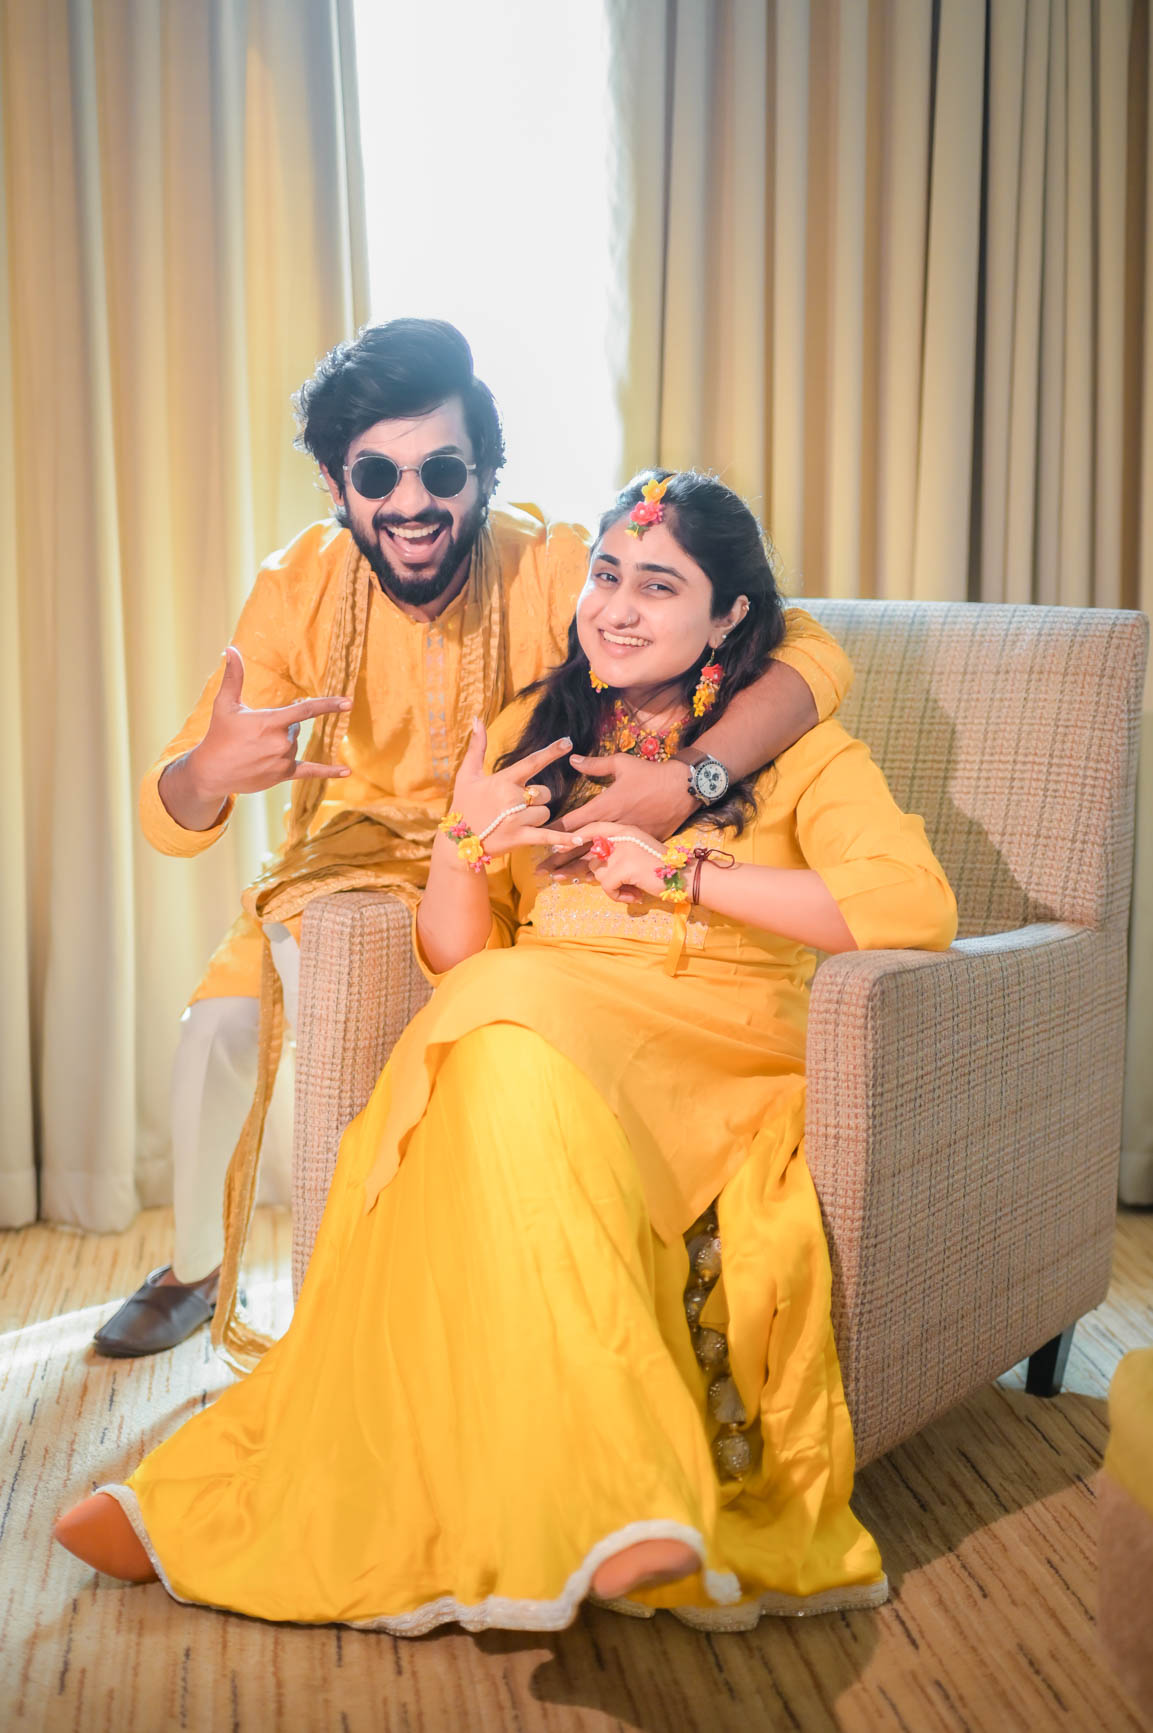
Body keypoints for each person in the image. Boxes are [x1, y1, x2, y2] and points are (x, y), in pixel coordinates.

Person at [58, 470, 956, 1632]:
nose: (615, 607)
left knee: (496, 1018)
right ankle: (552, 1493)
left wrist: (685, 868)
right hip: (540, 1026)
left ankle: (605, 1487)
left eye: (659, 586)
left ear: (728, 615)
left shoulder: (796, 752)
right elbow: (457, 950)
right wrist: (461, 849)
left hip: (710, 1036)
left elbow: (910, 906)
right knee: (490, 1036)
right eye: (606, 575)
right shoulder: (543, 725)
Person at [94, 320, 854, 1361]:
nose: (410, 502)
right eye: (376, 474)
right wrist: (207, 773)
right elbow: (170, 812)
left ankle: (379, 1303)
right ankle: (194, 1267)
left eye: (441, 471)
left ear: (485, 471)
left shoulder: (550, 564)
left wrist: (690, 777)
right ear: (335, 483)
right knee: (213, 1036)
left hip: (513, 877)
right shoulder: (296, 584)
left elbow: (809, 648)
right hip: (338, 869)